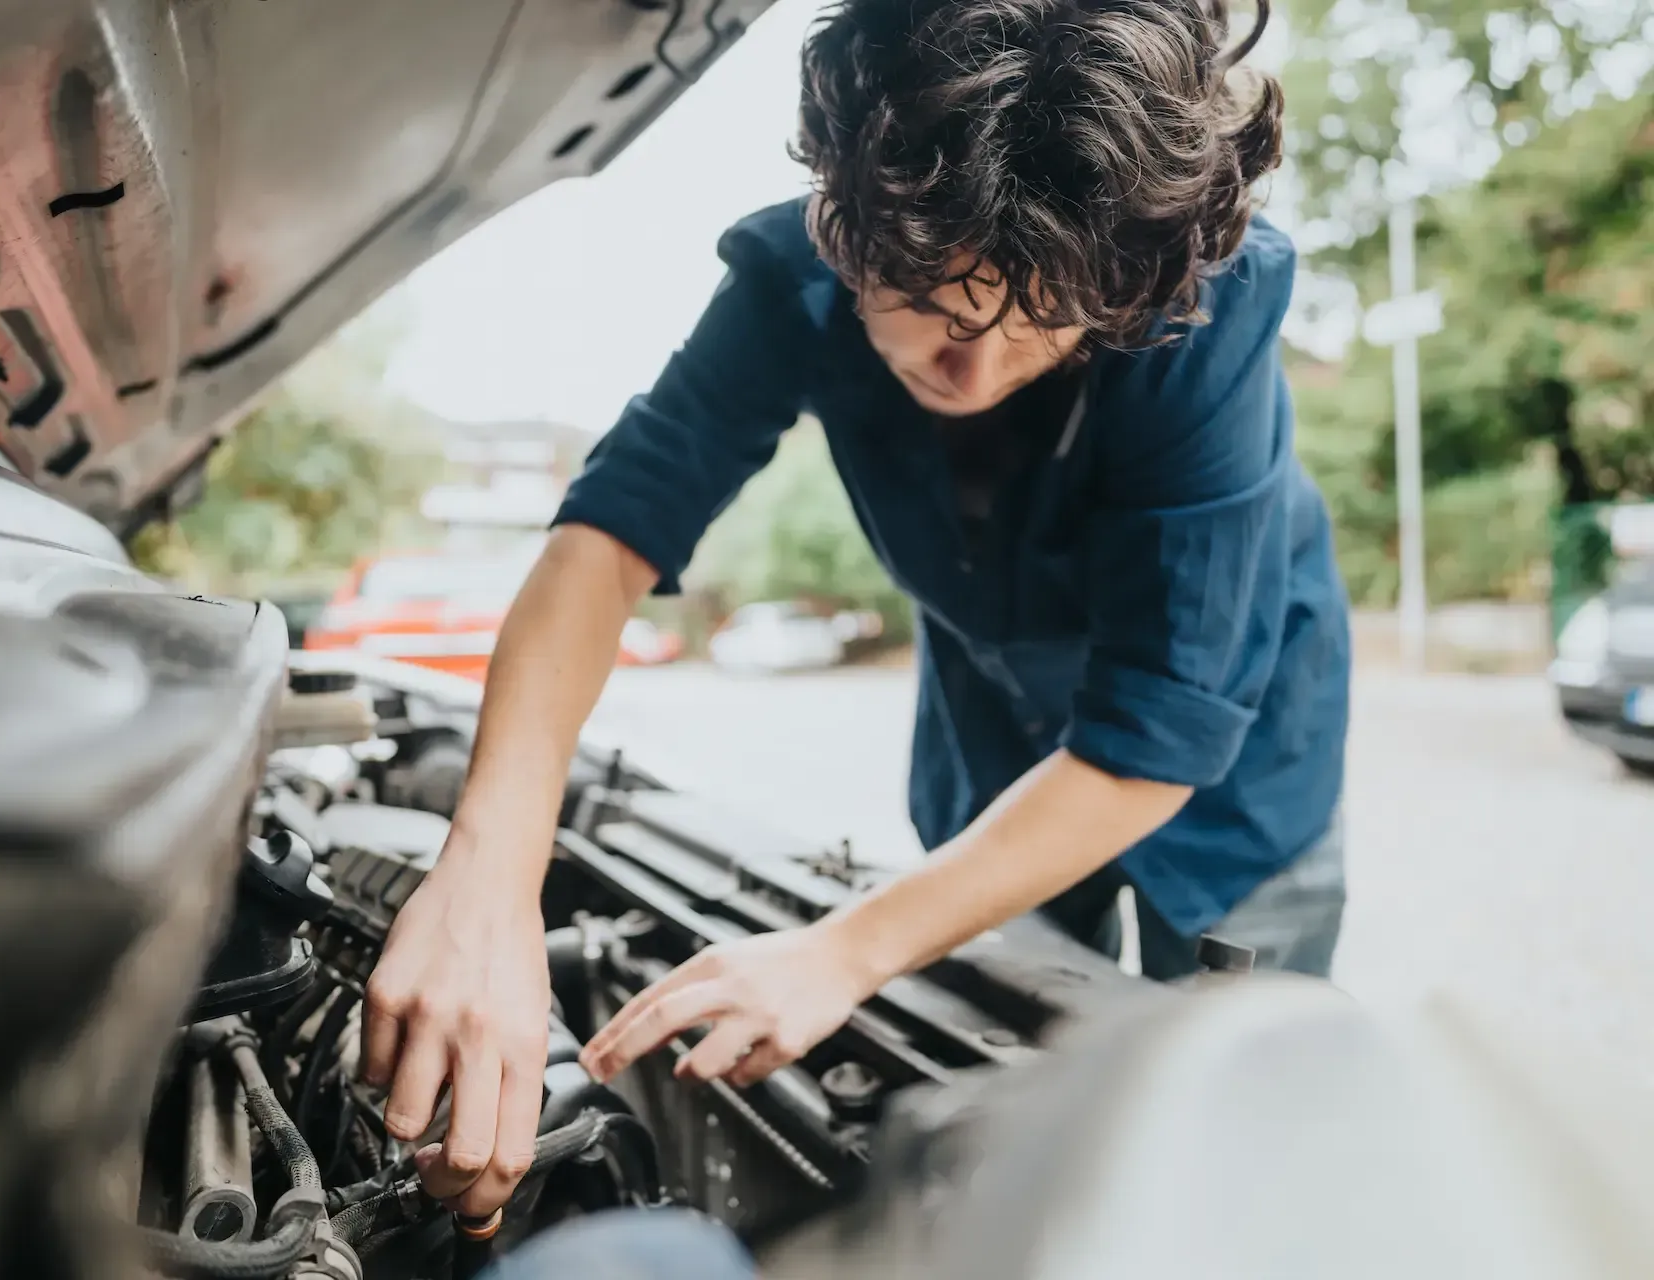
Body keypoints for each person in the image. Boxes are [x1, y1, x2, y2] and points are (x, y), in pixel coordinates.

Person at [361, 0, 1351, 1225]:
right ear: (846, 213)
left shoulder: (1201, 297)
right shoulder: (796, 274)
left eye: (1042, 324)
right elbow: (607, 541)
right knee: (1020, 1074)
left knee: (1229, 1120)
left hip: (1242, 772)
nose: (970, 375)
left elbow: (1159, 731)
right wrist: (489, 878)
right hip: (996, 741)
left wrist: (841, 949)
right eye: (929, 305)